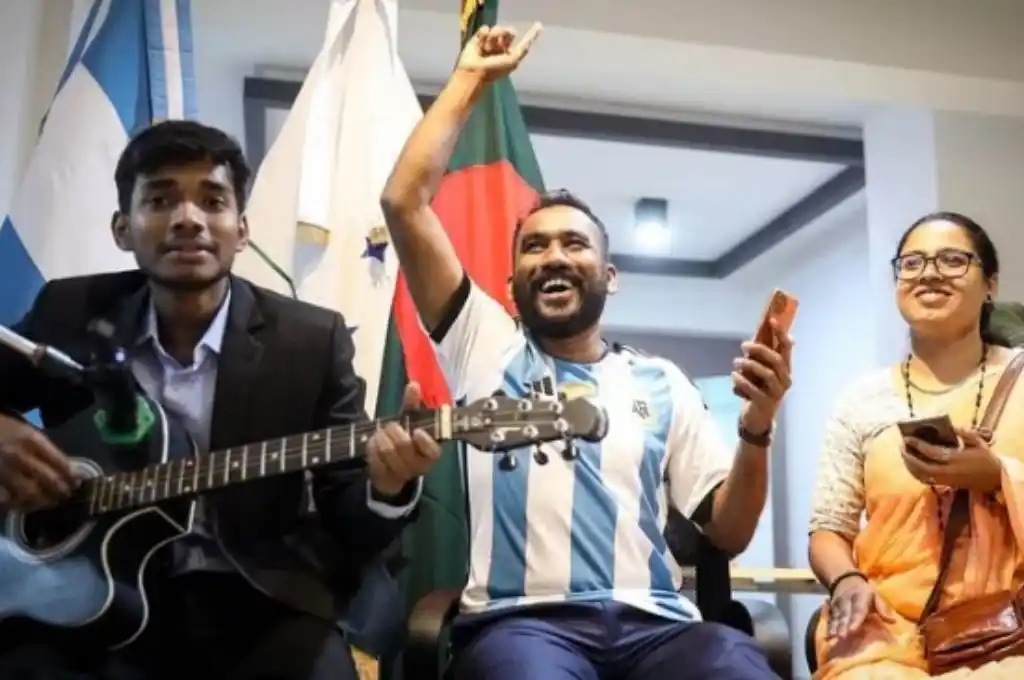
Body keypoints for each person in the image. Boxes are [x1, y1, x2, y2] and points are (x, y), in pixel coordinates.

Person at [380, 22, 793, 680]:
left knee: (737, 669)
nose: (554, 256)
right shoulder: (483, 345)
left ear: (610, 275)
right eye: (534, 246)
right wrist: (469, 80)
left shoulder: (663, 381)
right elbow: (404, 203)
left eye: (574, 244)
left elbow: (729, 531)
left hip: (659, 629)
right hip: (523, 627)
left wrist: (757, 427)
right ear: (510, 284)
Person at [0, 120, 440, 679]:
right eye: (160, 200)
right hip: (83, 592)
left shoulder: (309, 340)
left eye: (213, 201)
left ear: (242, 229)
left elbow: (347, 513)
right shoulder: (70, 310)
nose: (189, 219)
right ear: (122, 229)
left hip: (255, 595)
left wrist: (387, 487)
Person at [808, 212, 1024, 678]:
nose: (929, 273)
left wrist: (997, 478)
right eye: (912, 263)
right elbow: (829, 528)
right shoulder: (861, 400)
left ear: (990, 285)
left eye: (952, 260)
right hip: (887, 632)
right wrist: (847, 579)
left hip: (1011, 633)